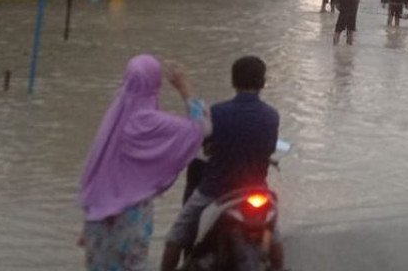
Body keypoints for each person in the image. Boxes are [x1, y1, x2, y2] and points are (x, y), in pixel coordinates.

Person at [79, 55, 207, 271]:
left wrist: (89, 218)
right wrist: (184, 87)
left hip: (98, 219)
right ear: (155, 83)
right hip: (131, 217)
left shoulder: (114, 118)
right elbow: (199, 128)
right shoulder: (151, 122)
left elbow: (97, 170)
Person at [162, 56, 281, 271]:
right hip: (256, 189)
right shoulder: (272, 115)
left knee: (176, 236)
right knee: (275, 236)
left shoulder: (217, 112)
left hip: (216, 191)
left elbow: (205, 139)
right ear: (262, 82)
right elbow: (269, 148)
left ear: (233, 82)